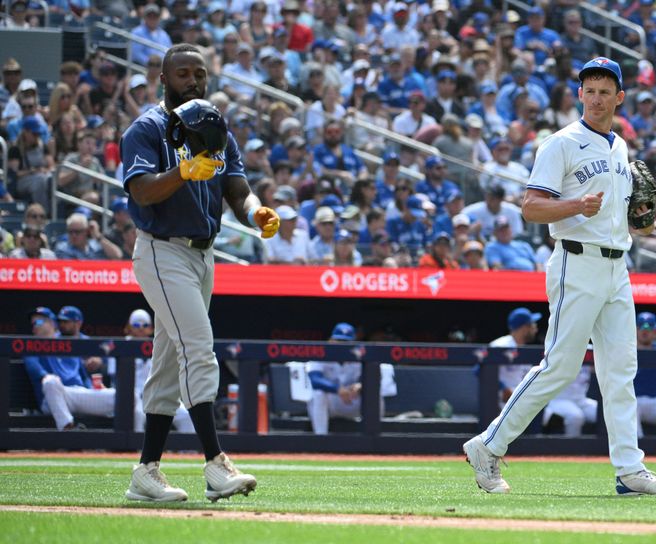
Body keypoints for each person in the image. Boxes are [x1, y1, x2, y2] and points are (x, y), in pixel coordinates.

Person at [463, 57, 656, 496]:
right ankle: (488, 445)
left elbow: (637, 226)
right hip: (575, 261)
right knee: (560, 366)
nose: (597, 97)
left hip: (617, 265)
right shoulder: (560, 143)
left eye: (606, 90)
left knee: (621, 372)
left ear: (619, 97)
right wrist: (574, 206)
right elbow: (530, 207)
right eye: (590, 89)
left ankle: (629, 470)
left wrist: (641, 219)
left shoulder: (620, 148)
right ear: (579, 94)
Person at [120, 44, 280, 503]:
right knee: (198, 348)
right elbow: (142, 193)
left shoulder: (215, 128)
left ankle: (145, 475)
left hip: (202, 255)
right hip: (161, 250)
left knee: (169, 366)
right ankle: (215, 465)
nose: (192, 80)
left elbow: (236, 188)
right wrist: (183, 171)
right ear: (164, 79)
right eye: (183, 73)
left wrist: (255, 212)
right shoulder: (148, 128)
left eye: (200, 73)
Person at [23, 307, 116, 431]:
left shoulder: (70, 342)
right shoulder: (31, 345)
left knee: (122, 395)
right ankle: (68, 429)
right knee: (51, 381)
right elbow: (34, 369)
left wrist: (100, 359)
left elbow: (112, 345)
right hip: (54, 395)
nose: (34, 326)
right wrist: (45, 375)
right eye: (32, 323)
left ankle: (130, 443)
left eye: (38, 322)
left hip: (77, 394)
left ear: (51, 323)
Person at [306, 323, 390, 434]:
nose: (342, 345)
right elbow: (315, 380)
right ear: (331, 340)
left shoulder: (361, 353)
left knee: (375, 394)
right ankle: (321, 438)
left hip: (353, 400)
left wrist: (361, 385)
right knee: (318, 394)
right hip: (332, 403)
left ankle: (373, 438)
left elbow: (376, 375)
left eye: (346, 342)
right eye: (339, 340)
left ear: (353, 342)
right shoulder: (321, 353)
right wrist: (337, 389)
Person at [488, 308, 541, 409]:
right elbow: (478, 369)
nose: (535, 329)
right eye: (533, 325)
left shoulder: (524, 349)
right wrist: (502, 388)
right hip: (500, 402)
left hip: (520, 398)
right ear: (525, 328)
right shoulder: (500, 345)